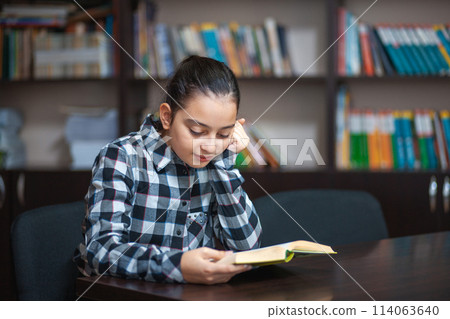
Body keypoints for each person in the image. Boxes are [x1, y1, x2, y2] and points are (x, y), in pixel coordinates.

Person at [74, 55, 262, 285]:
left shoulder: (214, 163)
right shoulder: (122, 157)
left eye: (223, 134)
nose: (211, 145)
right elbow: (100, 251)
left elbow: (247, 248)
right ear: (167, 116)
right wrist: (179, 266)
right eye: (197, 131)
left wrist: (226, 164)